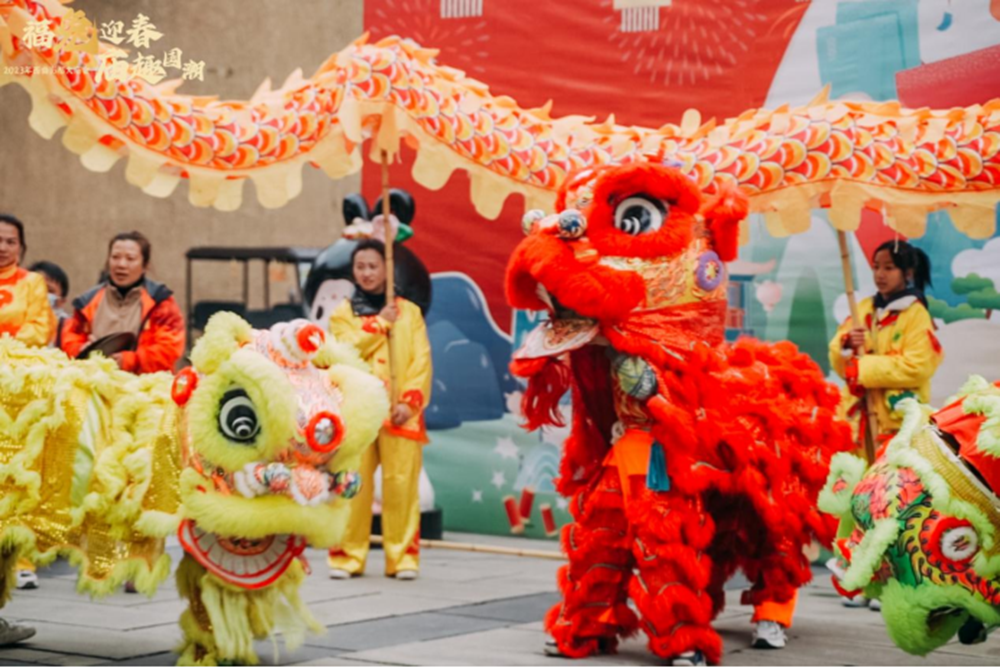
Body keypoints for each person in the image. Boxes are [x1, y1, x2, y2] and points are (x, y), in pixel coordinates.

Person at [828, 239, 942, 610]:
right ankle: (859, 577)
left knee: (892, 501)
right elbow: (837, 355)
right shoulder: (861, 309)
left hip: (896, 423)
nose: (879, 273)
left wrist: (864, 367)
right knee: (859, 499)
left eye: (888, 267)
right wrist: (848, 343)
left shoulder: (916, 315)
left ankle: (891, 579)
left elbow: (918, 365)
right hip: (862, 423)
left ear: (907, 273)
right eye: (876, 265)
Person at [326, 239, 432, 581]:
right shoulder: (344, 313)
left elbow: (422, 361)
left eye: (373, 266)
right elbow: (342, 351)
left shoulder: (409, 312)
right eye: (360, 267)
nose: (367, 273)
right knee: (352, 488)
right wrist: (379, 325)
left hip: (400, 413)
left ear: (386, 268)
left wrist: (409, 403)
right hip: (358, 414)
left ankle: (402, 558)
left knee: (401, 486)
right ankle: (346, 556)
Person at [0, 214, 54, 645]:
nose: (3, 247)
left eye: (11, 241)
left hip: (15, 394)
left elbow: (40, 330)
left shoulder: (33, 283)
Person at [60, 231, 185, 374]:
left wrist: (131, 360)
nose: (121, 264)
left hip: (145, 388)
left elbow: (170, 349)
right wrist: (80, 350)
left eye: (130, 259)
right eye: (115, 257)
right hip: (96, 384)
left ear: (145, 265)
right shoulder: (87, 302)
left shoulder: (161, 302)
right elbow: (69, 340)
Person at [28, 261, 69, 347]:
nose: (41, 293)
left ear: (62, 301)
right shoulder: (12, 317)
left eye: (49, 290)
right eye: (37, 287)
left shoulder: (68, 328)